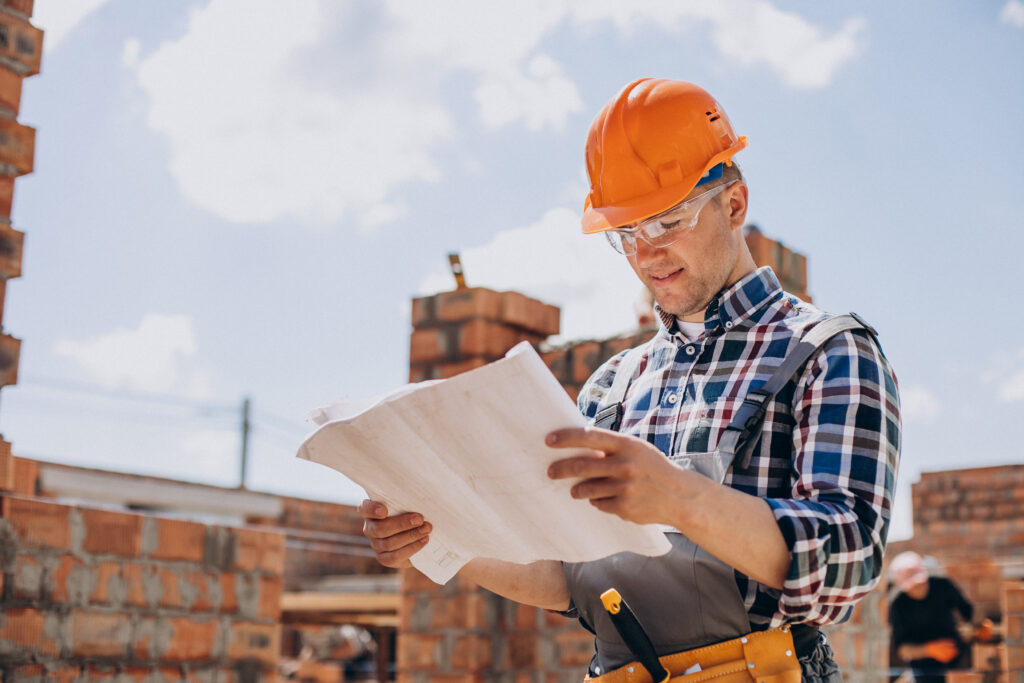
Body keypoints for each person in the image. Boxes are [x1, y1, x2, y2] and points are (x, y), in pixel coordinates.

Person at [359, 78, 901, 682]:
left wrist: (679, 498)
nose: (647, 256)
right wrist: (439, 537)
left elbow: (847, 561)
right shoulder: (617, 383)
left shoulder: (827, 351)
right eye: (627, 235)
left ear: (734, 204)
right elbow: (569, 576)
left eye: (667, 222)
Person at [888, 551, 973, 682]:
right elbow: (902, 650)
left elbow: (969, 612)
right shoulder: (898, 604)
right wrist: (930, 650)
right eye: (913, 586)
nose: (919, 588)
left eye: (921, 583)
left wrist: (978, 627)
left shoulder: (943, 586)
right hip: (923, 669)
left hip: (957, 657)